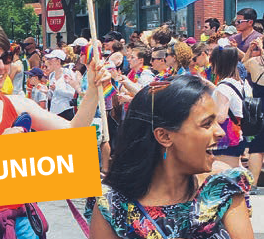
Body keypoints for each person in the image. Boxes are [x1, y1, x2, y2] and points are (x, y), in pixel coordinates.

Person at [0, 21, 105, 239]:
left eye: (5, 58)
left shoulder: (18, 104)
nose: (1, 67)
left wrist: (92, 90)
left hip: (21, 224)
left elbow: (73, 132)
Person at [90, 76, 253, 239]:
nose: (220, 132)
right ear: (164, 136)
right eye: (206, 124)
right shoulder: (113, 204)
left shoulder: (222, 187)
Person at [209, 46, 247, 167]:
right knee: (236, 170)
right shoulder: (241, 83)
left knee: (227, 174)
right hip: (239, 134)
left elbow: (220, 117)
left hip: (226, 138)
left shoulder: (223, 88)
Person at [243, 36, 264, 193]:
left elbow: (239, 68)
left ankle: (253, 185)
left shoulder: (252, 62)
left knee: (257, 148)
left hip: (261, 108)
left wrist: (250, 51)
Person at [44, 49, 77, 120]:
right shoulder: (52, 75)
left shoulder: (68, 73)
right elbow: (52, 96)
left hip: (66, 111)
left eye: (51, 59)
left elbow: (73, 94)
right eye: (48, 59)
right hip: (54, 111)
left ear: (58, 61)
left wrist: (57, 89)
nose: (48, 61)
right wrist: (46, 92)